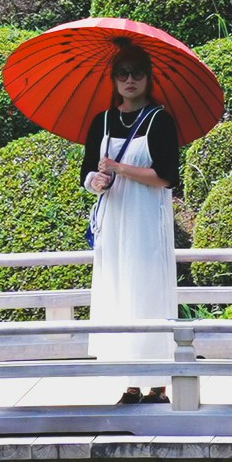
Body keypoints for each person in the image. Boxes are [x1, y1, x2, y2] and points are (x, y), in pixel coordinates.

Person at [82, 43, 183, 400]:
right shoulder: (103, 121)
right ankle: (128, 381)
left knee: (148, 293)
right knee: (119, 292)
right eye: (122, 73)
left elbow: (167, 177)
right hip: (114, 221)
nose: (129, 80)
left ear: (148, 78)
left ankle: (157, 383)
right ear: (113, 79)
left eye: (137, 73)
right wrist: (96, 181)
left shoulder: (160, 120)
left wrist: (121, 169)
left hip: (145, 223)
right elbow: (87, 173)